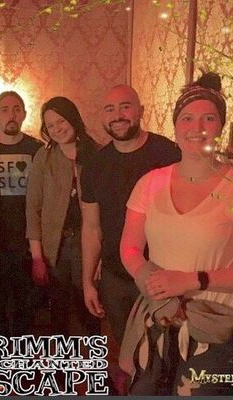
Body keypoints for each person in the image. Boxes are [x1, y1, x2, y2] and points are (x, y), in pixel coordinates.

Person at [119, 72, 233, 395]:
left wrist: (190, 280)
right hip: (158, 318)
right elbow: (129, 247)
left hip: (214, 325)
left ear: (221, 126)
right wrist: (149, 279)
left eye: (208, 118)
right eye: (187, 118)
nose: (197, 127)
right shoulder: (150, 183)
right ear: (175, 126)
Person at [80, 84, 181, 345]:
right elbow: (91, 228)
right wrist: (88, 281)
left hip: (163, 273)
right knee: (127, 348)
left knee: (165, 348)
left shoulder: (169, 154)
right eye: (109, 109)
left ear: (141, 111)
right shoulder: (94, 165)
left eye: (125, 107)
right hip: (115, 278)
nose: (117, 115)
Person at [26, 96, 99, 336]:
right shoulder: (44, 157)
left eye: (61, 121)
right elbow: (33, 209)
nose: (57, 129)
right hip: (55, 246)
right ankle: (64, 357)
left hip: (89, 244)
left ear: (73, 118)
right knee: (59, 309)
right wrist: (37, 257)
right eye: (50, 125)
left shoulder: (96, 153)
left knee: (89, 308)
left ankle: (92, 356)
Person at [0, 91, 42, 337]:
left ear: (24, 114)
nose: (11, 115)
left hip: (26, 240)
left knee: (24, 305)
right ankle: (0, 355)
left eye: (17, 109)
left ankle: (23, 354)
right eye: (5, 109)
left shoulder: (36, 149)